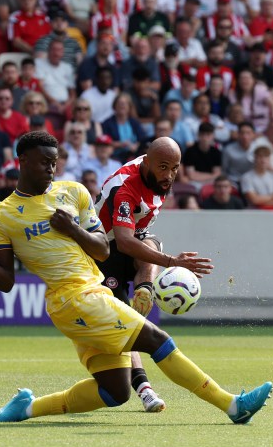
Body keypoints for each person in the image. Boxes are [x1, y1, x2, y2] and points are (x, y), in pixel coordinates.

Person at [0, 132, 271, 426]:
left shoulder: (73, 192)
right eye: (43, 162)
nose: (51, 168)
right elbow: (6, 280)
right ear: (21, 161)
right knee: (156, 340)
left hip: (92, 291)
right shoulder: (2, 216)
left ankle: (27, 407)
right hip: (71, 298)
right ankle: (232, 405)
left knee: (115, 391)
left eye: (55, 162)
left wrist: (73, 229)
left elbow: (103, 250)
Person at [88, 136, 216, 411]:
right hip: (104, 256)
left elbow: (136, 234)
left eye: (175, 168)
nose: (169, 175)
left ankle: (145, 289)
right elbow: (123, 240)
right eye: (163, 167)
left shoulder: (158, 175)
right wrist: (171, 262)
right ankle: (144, 388)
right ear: (147, 163)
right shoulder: (124, 188)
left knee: (149, 242)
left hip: (133, 241)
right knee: (127, 325)